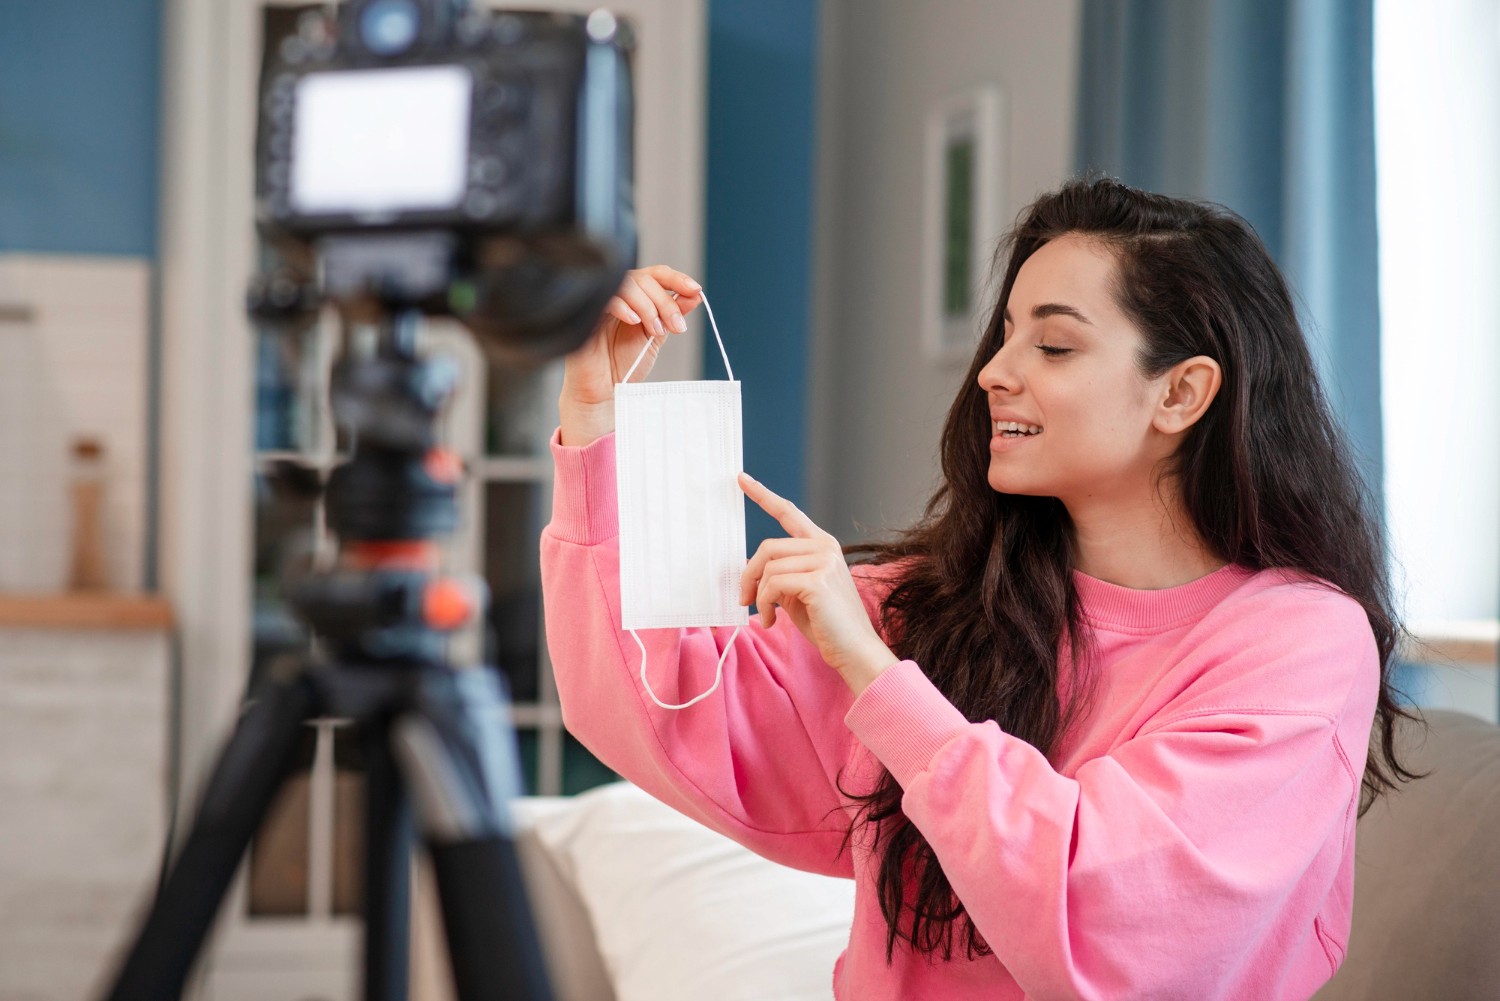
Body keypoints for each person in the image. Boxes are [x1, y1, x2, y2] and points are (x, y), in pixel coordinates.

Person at [538, 176, 1418, 1000]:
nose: (997, 369)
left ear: (1182, 394)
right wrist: (595, 410)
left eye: (1056, 343)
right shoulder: (934, 605)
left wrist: (877, 679)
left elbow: (1116, 920)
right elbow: (655, 696)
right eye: (1005, 335)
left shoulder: (1299, 643)